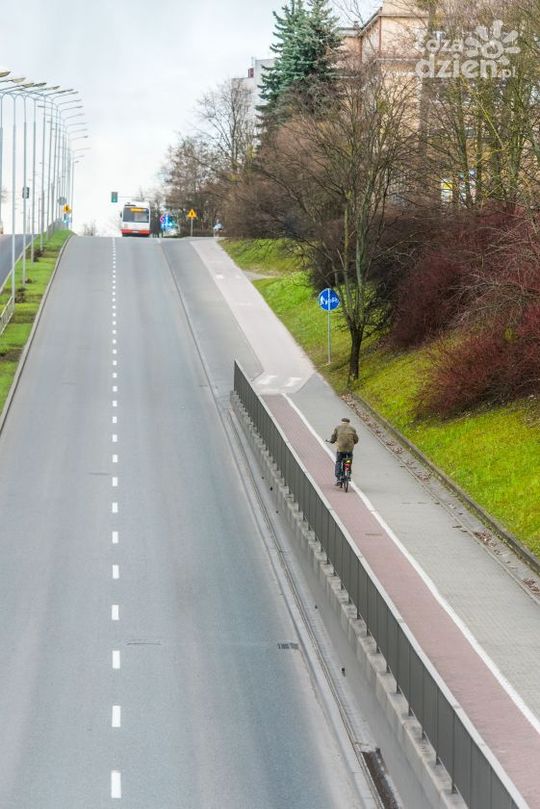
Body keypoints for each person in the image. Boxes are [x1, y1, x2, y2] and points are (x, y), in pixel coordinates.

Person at [329, 417, 358, 485]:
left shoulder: (338, 428)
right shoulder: (352, 429)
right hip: (349, 449)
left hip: (340, 449)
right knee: (348, 460)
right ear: (348, 422)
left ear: (342, 422)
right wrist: (353, 442)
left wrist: (332, 441)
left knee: (339, 461)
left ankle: (338, 478)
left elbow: (334, 437)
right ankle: (348, 473)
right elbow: (356, 439)